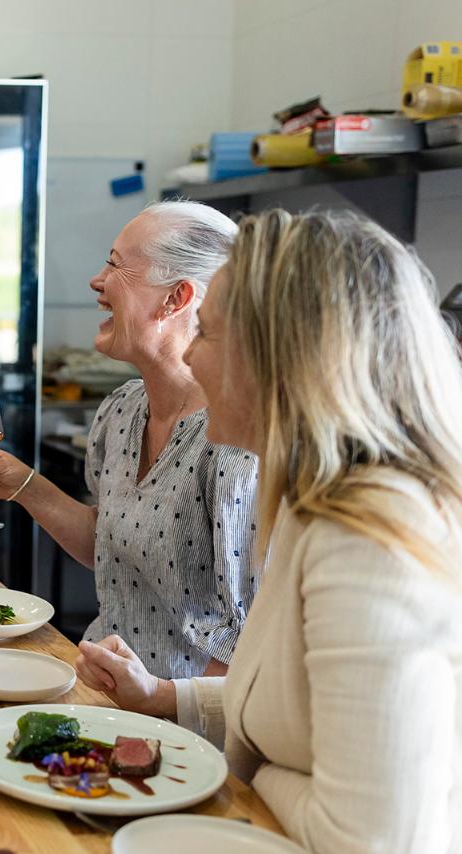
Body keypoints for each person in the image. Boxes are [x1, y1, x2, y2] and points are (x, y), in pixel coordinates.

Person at [75, 209, 462, 852]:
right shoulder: (315, 504)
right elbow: (286, 706)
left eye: (208, 333)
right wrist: (163, 697)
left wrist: (255, 772)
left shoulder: (369, 546)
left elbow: (368, 842)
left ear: (279, 360)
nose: (189, 356)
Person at [0, 201, 257, 680]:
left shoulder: (237, 442)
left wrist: (166, 710)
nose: (97, 281)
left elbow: (245, 646)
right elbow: (109, 546)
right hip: (101, 689)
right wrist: (24, 486)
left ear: (176, 298)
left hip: (177, 718)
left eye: (116, 265)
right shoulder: (122, 409)